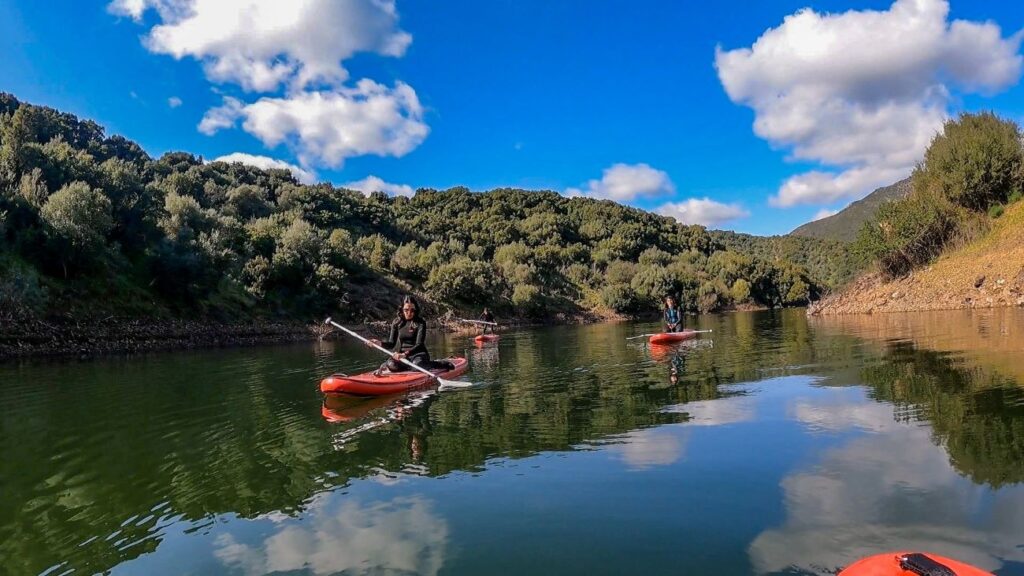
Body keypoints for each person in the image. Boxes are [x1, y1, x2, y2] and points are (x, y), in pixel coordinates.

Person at [370, 295, 454, 375]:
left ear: (415, 310)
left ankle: (439, 364)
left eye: (412, 310)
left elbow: (419, 344)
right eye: (406, 310)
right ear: (402, 309)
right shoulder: (396, 323)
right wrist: (379, 343)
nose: (409, 313)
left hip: (418, 354)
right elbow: (391, 343)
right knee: (392, 365)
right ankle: (408, 367)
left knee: (417, 366)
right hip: (403, 355)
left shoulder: (420, 322)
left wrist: (404, 354)